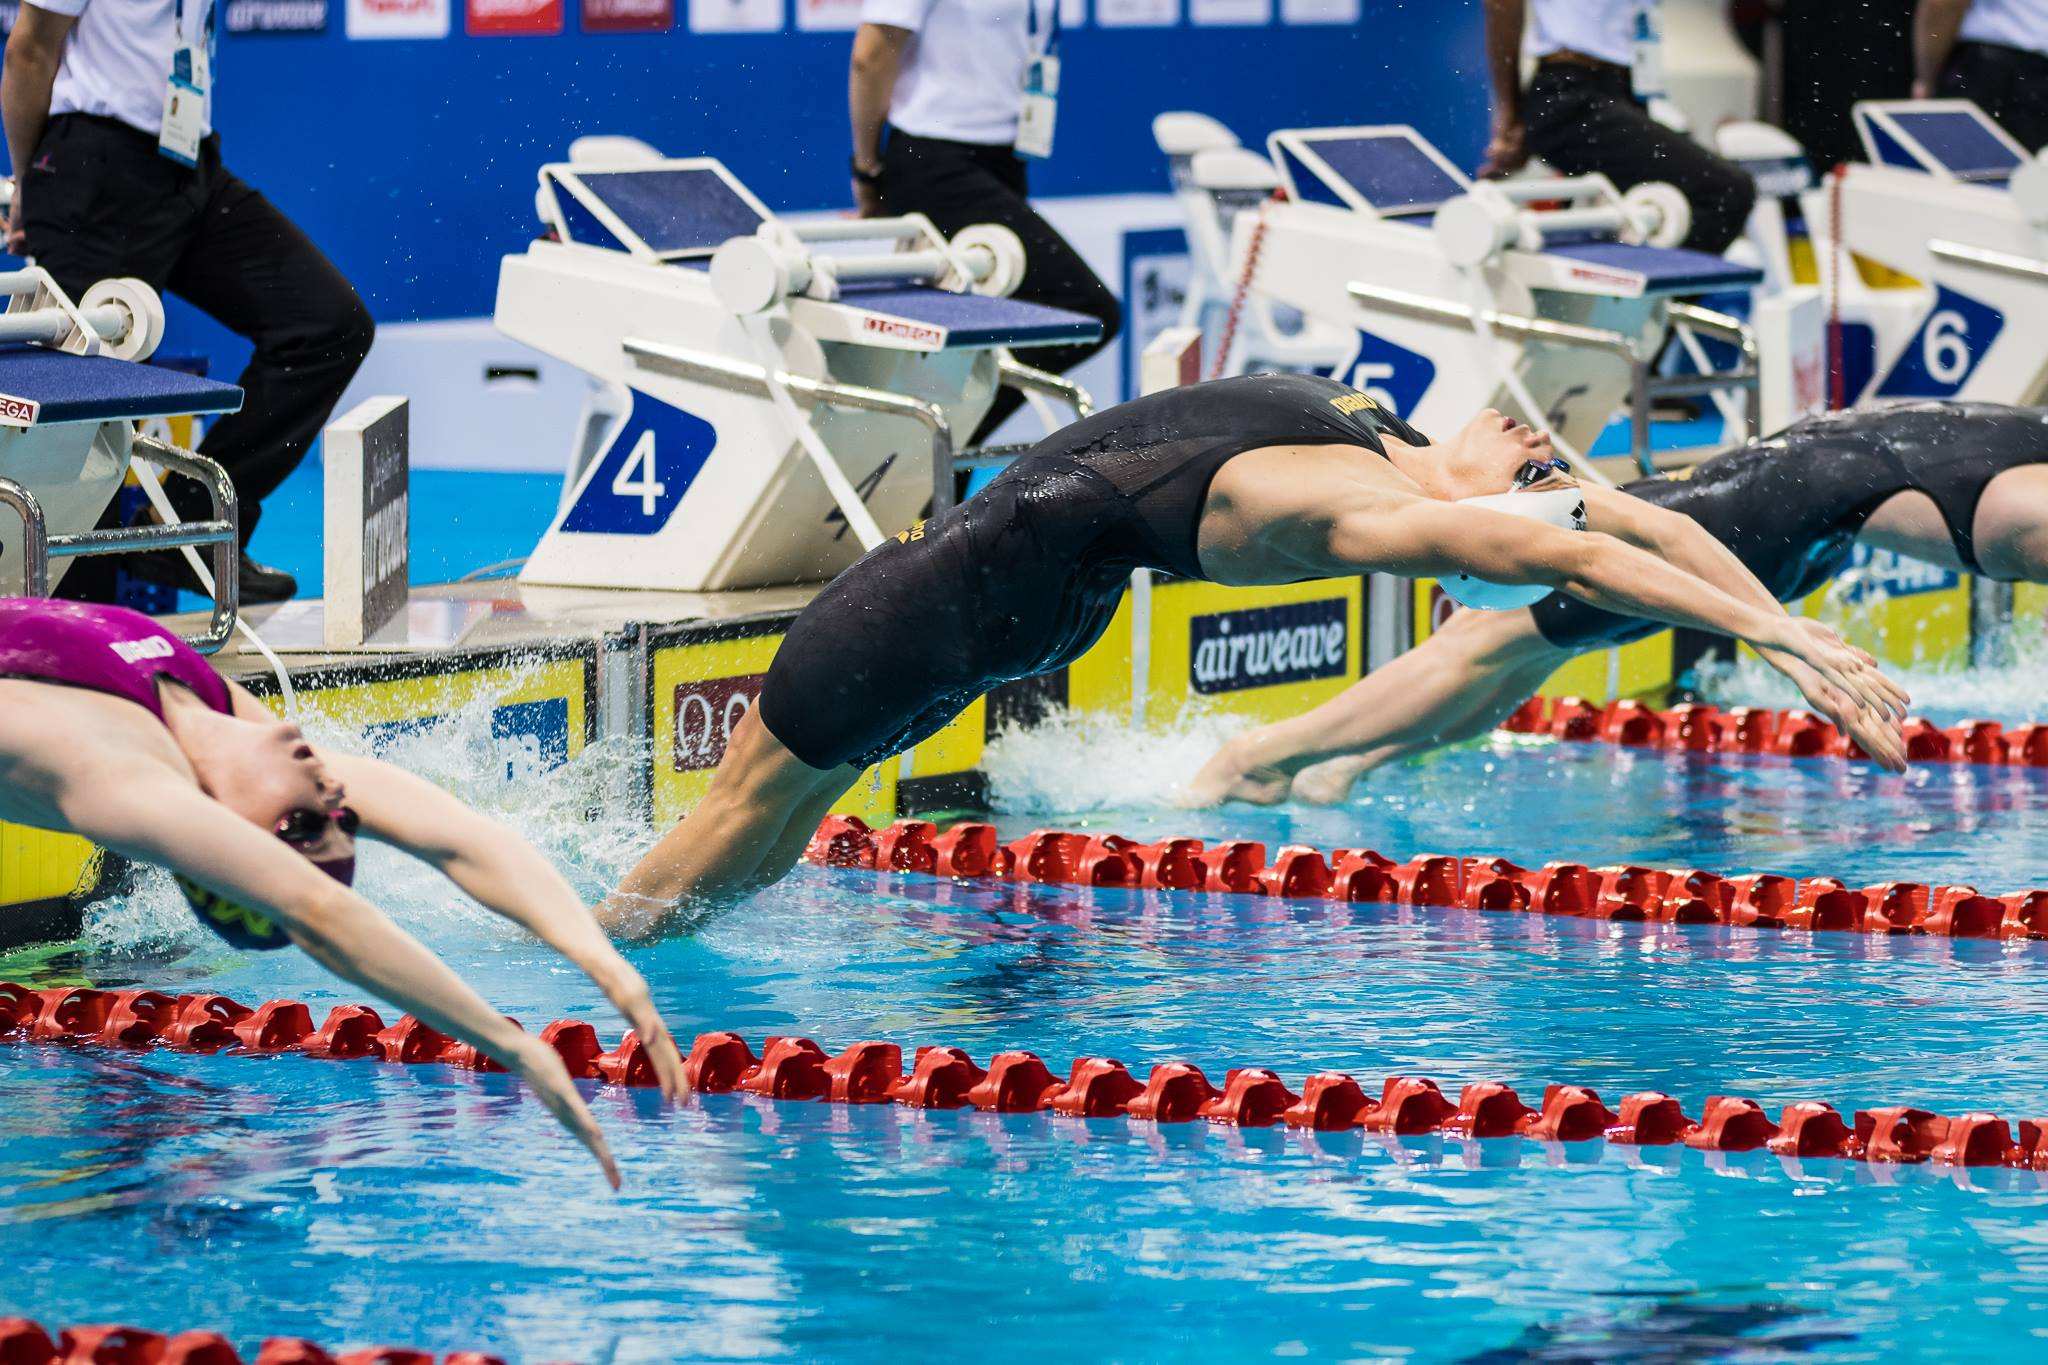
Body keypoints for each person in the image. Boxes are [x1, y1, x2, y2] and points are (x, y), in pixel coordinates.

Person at [595, 374, 1910, 936]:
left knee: (749, 794)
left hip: (970, 583)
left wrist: (1770, 630)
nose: (1537, 440)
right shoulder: (1388, 446)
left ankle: (587, 976)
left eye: (1538, 467)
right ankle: (648, 963)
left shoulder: (1379, 511)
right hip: (1038, 605)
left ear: (1484, 524)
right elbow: (1624, 516)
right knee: (782, 818)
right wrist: (1793, 636)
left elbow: (1573, 550)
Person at [0, 597, 689, 1186]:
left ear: (243, 835)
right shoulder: (219, 720)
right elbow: (457, 837)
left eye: (313, 820)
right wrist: (602, 966)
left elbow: (317, 909)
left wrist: (529, 1035)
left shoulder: (118, 778)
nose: (334, 792)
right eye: (340, 818)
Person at [1184, 400, 2046, 807]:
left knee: (1511, 652)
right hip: (1746, 522)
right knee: (1483, 647)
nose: (1526, 431)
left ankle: (1336, 763)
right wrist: (1790, 649)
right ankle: (1263, 754)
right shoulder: (2025, 498)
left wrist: (1785, 641)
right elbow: (1672, 539)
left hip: (1757, 510)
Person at [2, 0, 375, 605]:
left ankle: (187, 528)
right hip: (92, 173)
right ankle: (58, 640)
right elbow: (29, 50)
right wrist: (30, 184)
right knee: (72, 426)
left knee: (328, 324)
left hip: (188, 165)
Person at [849, 0, 1119, 443]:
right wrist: (867, 168)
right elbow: (871, 54)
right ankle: (934, 441)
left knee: (971, 348)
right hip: (934, 161)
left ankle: (936, 456)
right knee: (1084, 309)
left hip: (1002, 157)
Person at [1480, 0, 1758, 255]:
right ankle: (1662, 304)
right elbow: (1501, 3)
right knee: (1727, 192)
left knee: (1635, 217)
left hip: (1622, 87)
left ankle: (1644, 303)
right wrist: (1511, 113)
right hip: (1571, 95)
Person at [1914, 0, 2048, 151]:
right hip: (2031, 83)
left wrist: (1926, 79)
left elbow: (1942, 4)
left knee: (1956, 164)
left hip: (1991, 74)